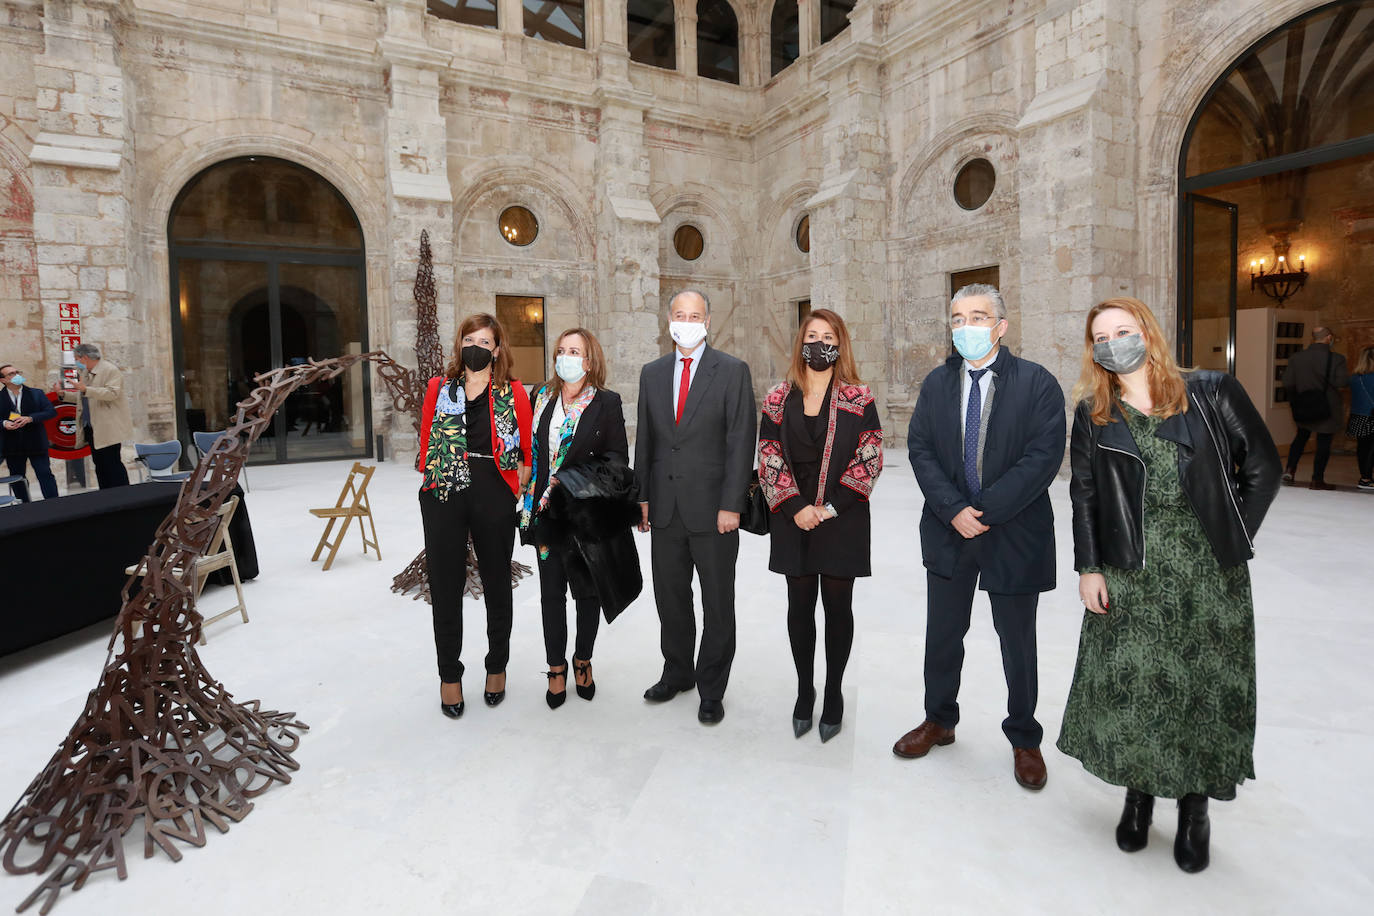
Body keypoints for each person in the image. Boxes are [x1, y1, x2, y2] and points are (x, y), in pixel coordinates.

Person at [1058, 297, 1281, 873]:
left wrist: (1233, 536)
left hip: (1207, 573)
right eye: (1101, 336)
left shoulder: (1210, 391)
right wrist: (1088, 567)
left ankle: (1194, 809)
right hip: (1131, 570)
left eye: (1123, 331)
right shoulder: (1094, 411)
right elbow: (1083, 493)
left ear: (1147, 332)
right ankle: (1137, 799)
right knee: (1137, 689)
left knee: (1199, 689)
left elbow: (1262, 467)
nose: (1113, 343)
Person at [892, 283, 1065, 791]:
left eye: (978, 316)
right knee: (943, 637)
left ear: (1001, 326)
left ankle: (1024, 738)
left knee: (1018, 643)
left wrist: (982, 511)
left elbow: (1043, 458)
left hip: (1013, 531)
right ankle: (939, 720)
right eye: (958, 318)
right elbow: (919, 448)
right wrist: (953, 510)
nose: (966, 327)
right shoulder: (936, 384)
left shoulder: (1038, 384)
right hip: (950, 533)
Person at [757, 309, 883, 743]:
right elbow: (768, 454)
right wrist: (795, 507)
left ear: (840, 344)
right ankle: (804, 689)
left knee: (837, 607)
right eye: (812, 335)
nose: (819, 343)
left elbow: (869, 460)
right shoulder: (777, 397)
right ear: (800, 342)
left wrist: (827, 508)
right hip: (792, 516)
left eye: (828, 336)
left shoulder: (859, 398)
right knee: (799, 606)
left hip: (840, 517)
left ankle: (833, 692)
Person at [635, 289, 756, 725]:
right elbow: (645, 442)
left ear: (709, 321)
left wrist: (732, 505)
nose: (687, 321)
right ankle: (677, 672)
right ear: (669, 319)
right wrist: (642, 498)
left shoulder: (732, 372)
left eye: (695, 315)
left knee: (717, 602)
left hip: (714, 513)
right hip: (664, 509)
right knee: (670, 597)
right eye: (680, 314)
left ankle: (712, 686)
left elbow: (741, 442)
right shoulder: (652, 374)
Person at [416, 313, 532, 719]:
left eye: (485, 342)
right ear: (459, 343)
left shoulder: (514, 392)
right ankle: (449, 675)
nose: (477, 348)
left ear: (497, 350)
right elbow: (427, 437)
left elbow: (525, 450)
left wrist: (518, 482)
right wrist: (434, 476)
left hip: (493, 487)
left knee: (497, 581)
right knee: (445, 584)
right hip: (445, 487)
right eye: (471, 340)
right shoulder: (439, 387)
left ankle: (496, 666)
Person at [520, 328, 641, 709]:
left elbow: (617, 462)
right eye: (561, 350)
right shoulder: (541, 397)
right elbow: (530, 451)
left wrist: (569, 481)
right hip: (544, 515)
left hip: (583, 514)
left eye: (575, 351)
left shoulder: (606, 403)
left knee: (586, 594)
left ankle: (582, 659)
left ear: (590, 361)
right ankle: (556, 668)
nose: (566, 357)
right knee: (551, 594)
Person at [56, 343, 132, 488]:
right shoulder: (86, 372)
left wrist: (86, 389)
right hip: (90, 426)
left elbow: (112, 393)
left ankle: (122, 495)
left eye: (77, 358)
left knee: (112, 463)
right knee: (100, 464)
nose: (76, 362)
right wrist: (63, 395)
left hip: (107, 427)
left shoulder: (110, 370)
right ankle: (105, 495)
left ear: (84, 357)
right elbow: (84, 396)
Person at [1282, 325, 1348, 490]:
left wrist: (1298, 397)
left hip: (1304, 404)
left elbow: (1287, 382)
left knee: (1301, 437)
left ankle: (1289, 470)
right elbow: (1341, 383)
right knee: (1323, 441)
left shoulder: (1296, 358)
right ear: (1328, 338)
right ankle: (1317, 479)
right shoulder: (1337, 359)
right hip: (1328, 406)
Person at [1, 363, 59, 501]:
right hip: (12, 444)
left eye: (17, 372)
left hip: (36, 442)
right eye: (11, 374)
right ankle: (24, 506)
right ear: (3, 380)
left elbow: (51, 412)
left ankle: (54, 504)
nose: (16, 375)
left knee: (44, 473)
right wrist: (4, 423)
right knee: (17, 477)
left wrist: (30, 418)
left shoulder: (36, 393)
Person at [1347, 346, 1374, 490]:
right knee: (1371, 450)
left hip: (1357, 416)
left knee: (1363, 449)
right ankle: (1366, 479)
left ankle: (1365, 477)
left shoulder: (1354, 378)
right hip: (1371, 417)